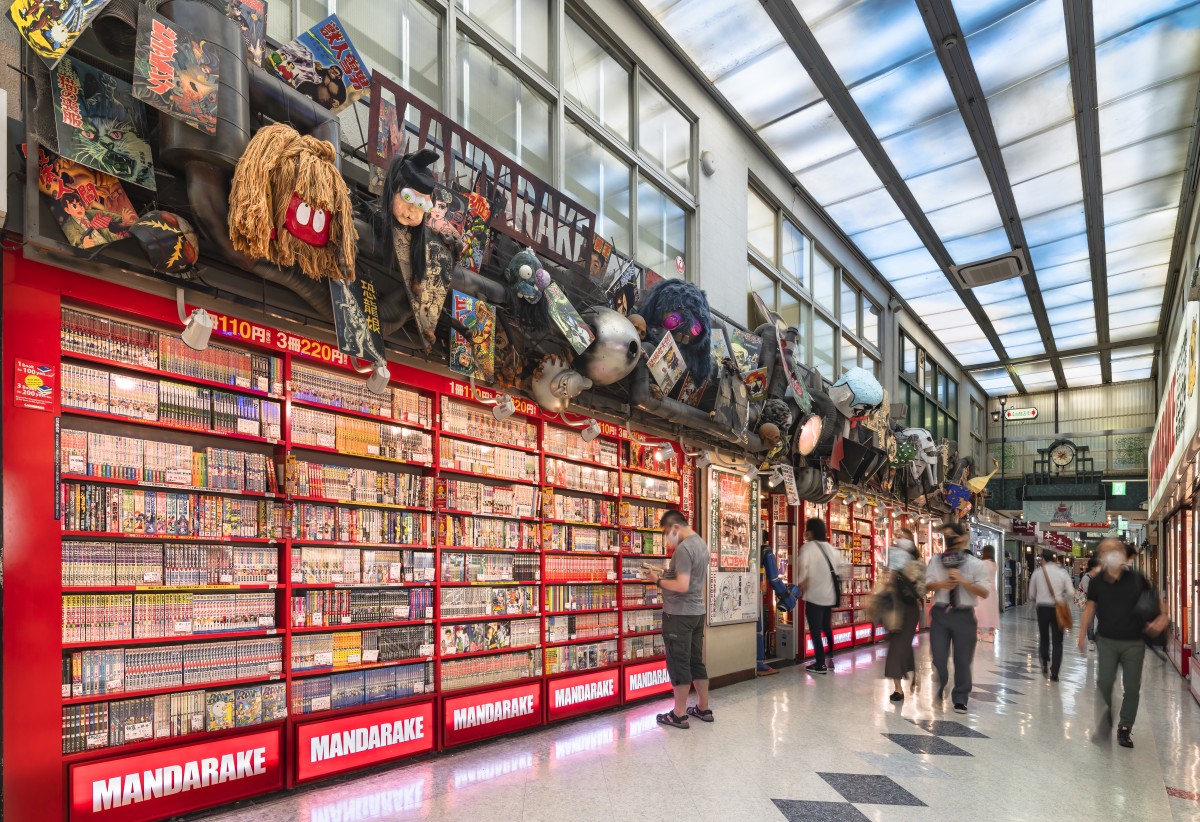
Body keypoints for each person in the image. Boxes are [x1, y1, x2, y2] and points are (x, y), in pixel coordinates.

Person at [1078, 538, 1168, 748]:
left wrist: (1163, 616)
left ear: (1123, 554)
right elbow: (1090, 608)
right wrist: (1082, 633)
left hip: (1134, 643)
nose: (1112, 554)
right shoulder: (1098, 582)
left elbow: (1156, 598)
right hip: (1107, 641)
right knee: (1104, 683)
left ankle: (1125, 728)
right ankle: (1105, 723)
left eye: (1115, 550)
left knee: (1132, 687)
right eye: (1107, 551)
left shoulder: (1137, 578)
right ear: (1101, 556)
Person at [647, 509, 712, 728]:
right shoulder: (701, 545)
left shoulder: (684, 549)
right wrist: (667, 573)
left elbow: (682, 585)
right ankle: (703, 708)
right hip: (697, 612)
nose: (668, 538)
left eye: (667, 532)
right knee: (695, 661)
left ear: (675, 527)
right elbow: (691, 579)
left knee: (679, 662)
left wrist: (657, 580)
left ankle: (678, 713)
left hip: (679, 614)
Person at [926, 521, 991, 714]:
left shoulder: (976, 564)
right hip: (940, 613)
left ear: (963, 538)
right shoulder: (936, 561)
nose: (949, 539)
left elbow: (984, 592)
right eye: (945, 535)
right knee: (938, 656)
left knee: (962, 659)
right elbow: (927, 585)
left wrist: (963, 581)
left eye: (952, 535)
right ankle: (942, 682)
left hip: (964, 615)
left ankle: (960, 697)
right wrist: (940, 584)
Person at [883, 529, 926, 701]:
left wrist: (911, 576)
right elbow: (885, 583)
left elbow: (922, 590)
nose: (899, 539)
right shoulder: (891, 559)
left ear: (911, 541)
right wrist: (888, 575)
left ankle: (907, 679)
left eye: (903, 537)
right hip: (893, 607)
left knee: (900, 646)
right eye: (897, 536)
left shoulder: (918, 563)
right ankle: (898, 688)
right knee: (896, 645)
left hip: (909, 609)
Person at [797, 518, 841, 674]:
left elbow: (802, 574)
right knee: (826, 627)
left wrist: (801, 583)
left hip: (814, 597)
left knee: (815, 630)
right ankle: (830, 655)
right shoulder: (832, 549)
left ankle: (820, 664)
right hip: (829, 597)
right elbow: (840, 570)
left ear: (810, 532)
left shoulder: (807, 548)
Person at [757, 533, 803, 676]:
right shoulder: (766, 552)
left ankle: (758, 661)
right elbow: (775, 579)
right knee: (757, 628)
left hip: (748, 591)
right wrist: (787, 596)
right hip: (755, 593)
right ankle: (758, 662)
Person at [1028, 549, 1072, 680]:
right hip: (1058, 608)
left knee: (1044, 636)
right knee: (1058, 641)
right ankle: (1055, 672)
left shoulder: (1037, 573)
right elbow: (1070, 592)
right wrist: (1062, 601)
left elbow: (1031, 594)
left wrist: (1038, 598)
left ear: (1043, 559)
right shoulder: (1062, 573)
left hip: (1042, 608)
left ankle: (1045, 662)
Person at [976, 546, 1001, 643]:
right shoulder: (994, 564)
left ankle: (978, 632)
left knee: (979, 612)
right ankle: (990, 634)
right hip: (993, 592)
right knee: (991, 612)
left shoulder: (981, 564)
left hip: (982, 590)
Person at [1077, 557, 1101, 649]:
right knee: (1090, 623)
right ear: (1094, 567)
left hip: (1099, 603)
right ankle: (1091, 641)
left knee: (1102, 619)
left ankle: (1095, 636)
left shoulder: (1099, 577)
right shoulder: (1086, 578)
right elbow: (1088, 591)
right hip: (1089, 602)